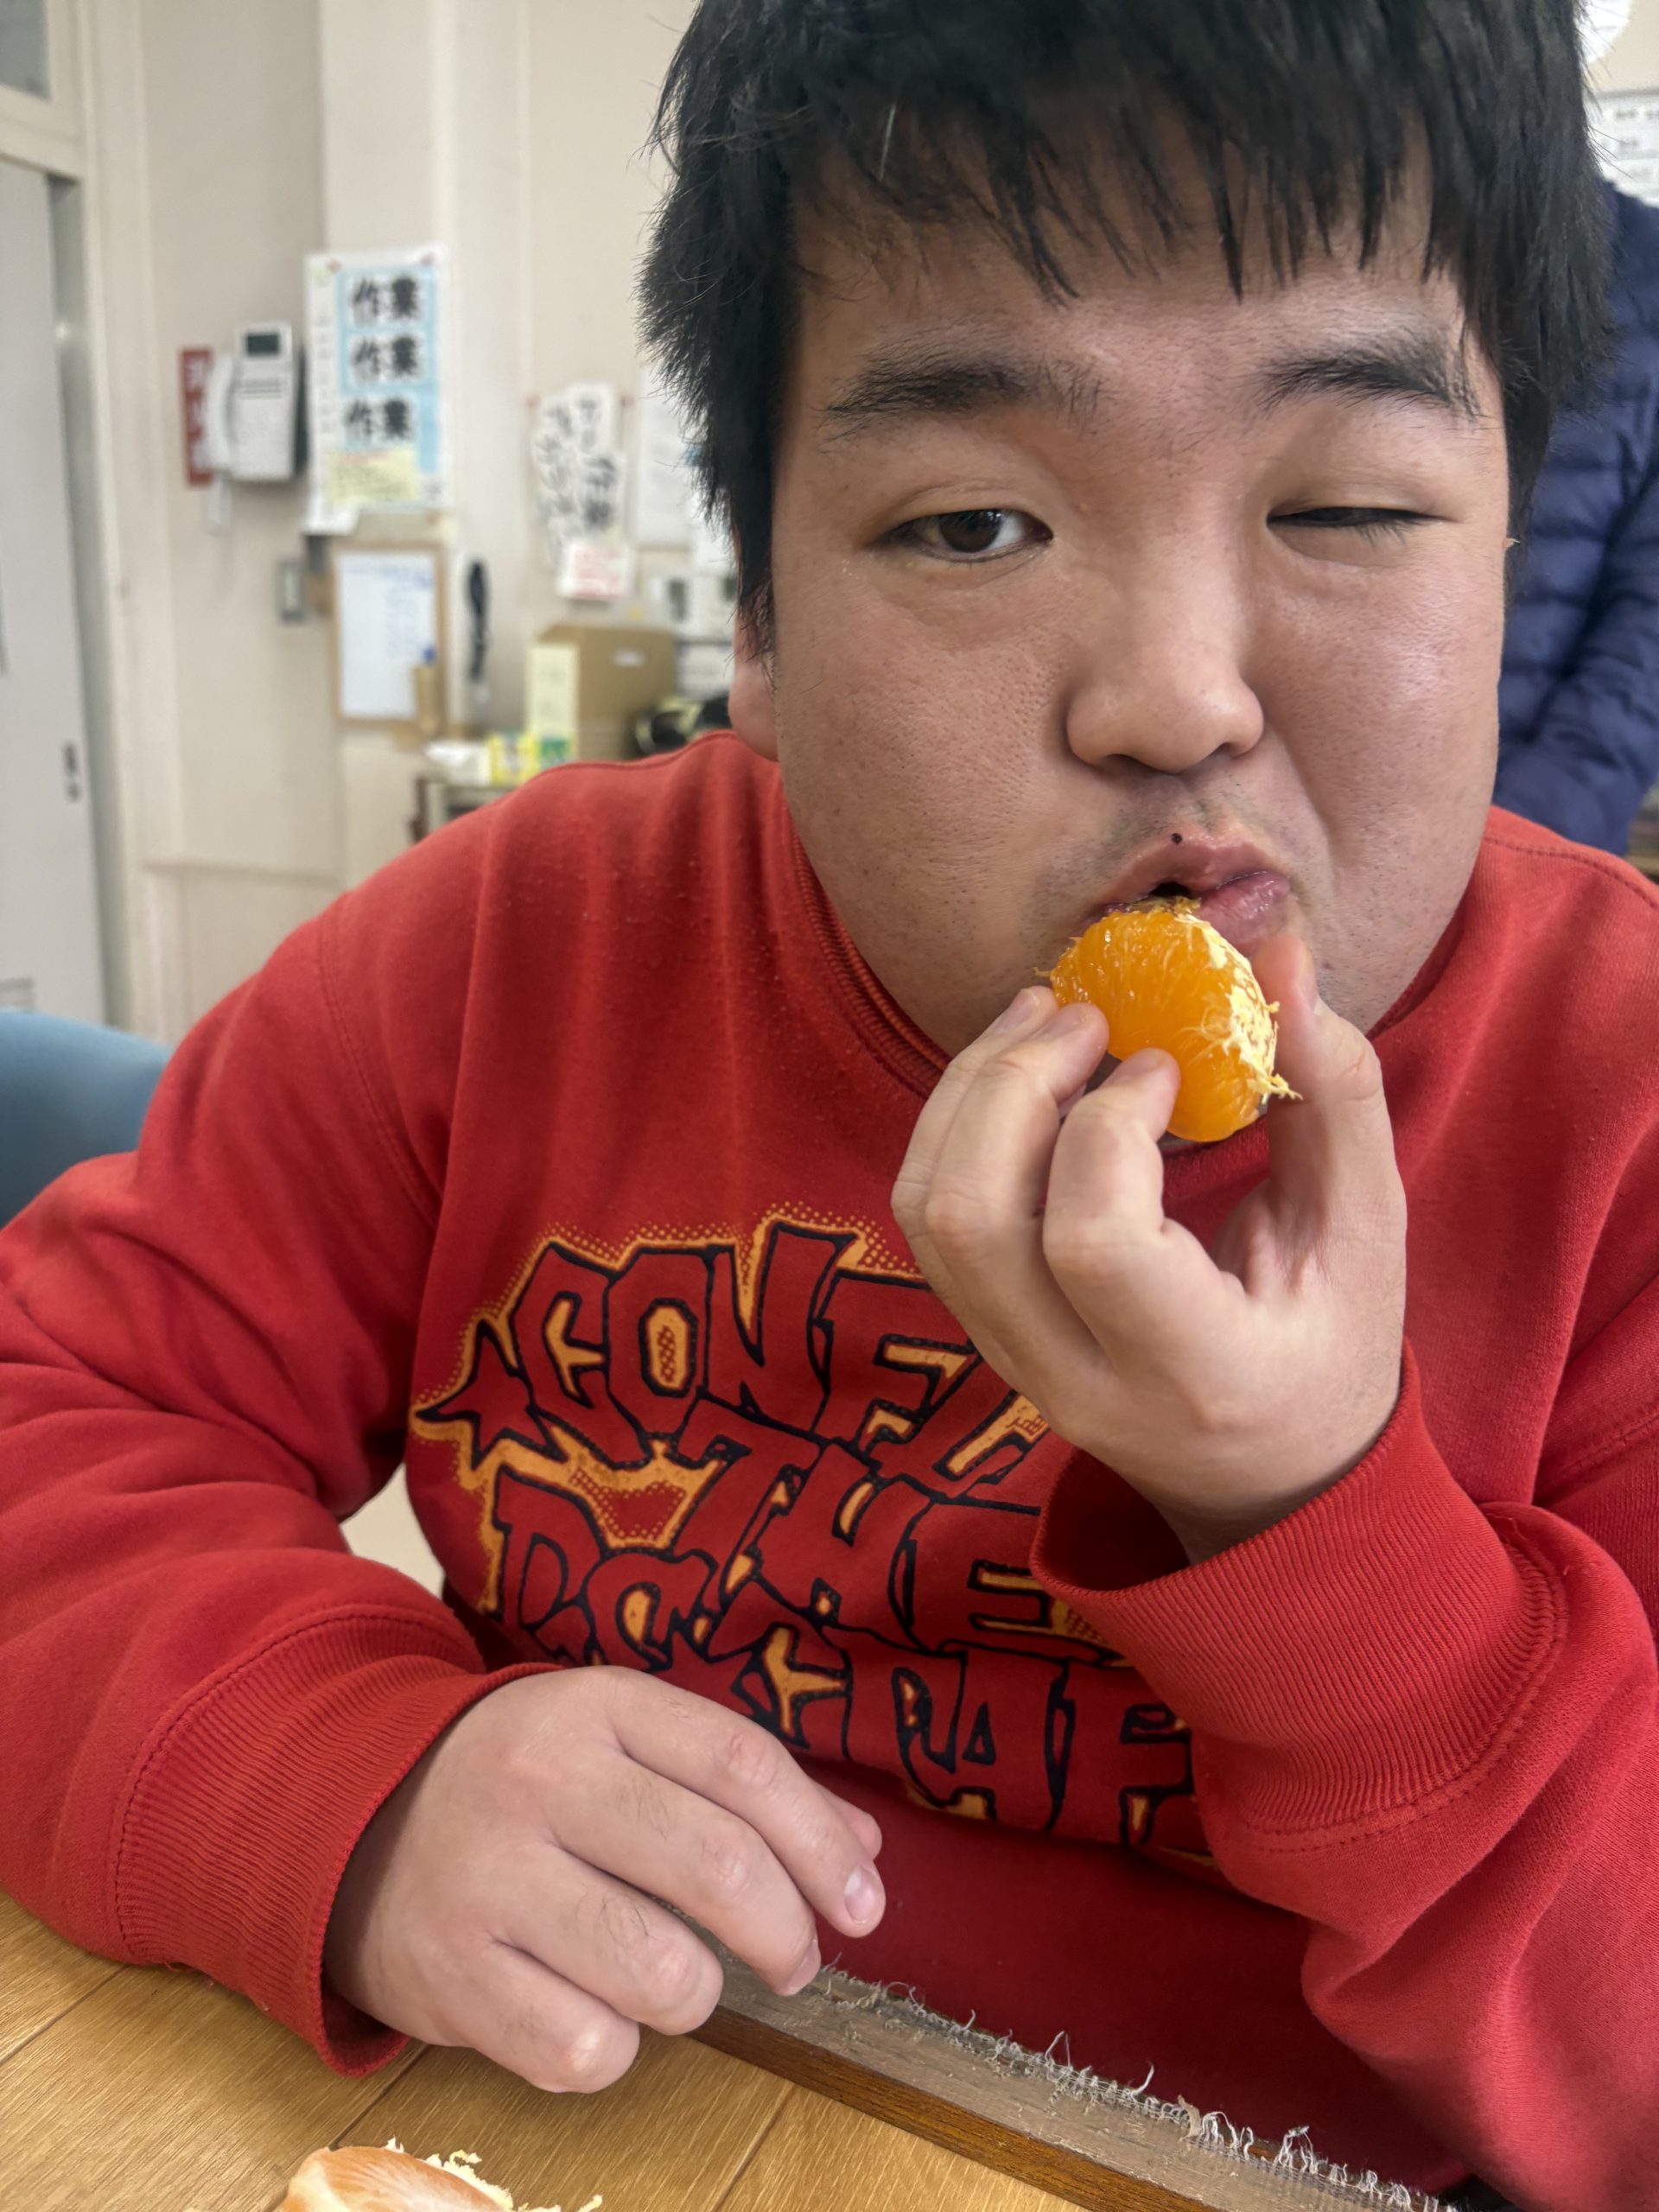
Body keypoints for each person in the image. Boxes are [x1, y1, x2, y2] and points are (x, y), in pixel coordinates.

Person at [0, 5, 1649, 2208]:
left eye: (1346, 504)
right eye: (973, 521)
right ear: (760, 625)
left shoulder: (1620, 1099)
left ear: (1511, 540)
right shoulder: (506, 955)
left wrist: (1317, 1519)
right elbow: (57, 1412)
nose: (1175, 696)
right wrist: (340, 1771)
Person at [1497, 181, 1659, 852]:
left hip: (1545, 827)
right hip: (1332, 817)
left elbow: (1647, 641)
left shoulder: (1643, 269)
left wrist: (1527, 839)